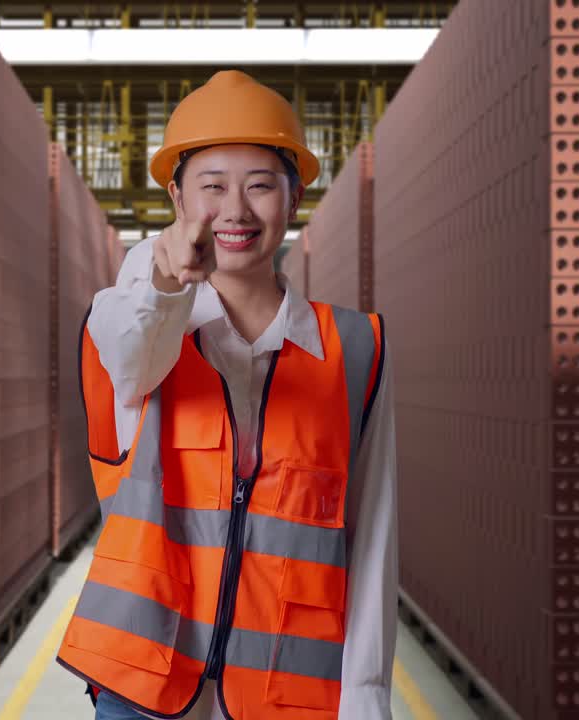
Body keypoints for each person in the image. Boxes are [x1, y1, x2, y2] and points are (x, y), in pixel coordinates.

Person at [56, 69, 397, 720]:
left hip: (286, 697)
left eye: (260, 185)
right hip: (143, 691)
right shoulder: (132, 316)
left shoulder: (356, 349)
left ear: (294, 198)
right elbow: (134, 357)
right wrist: (165, 274)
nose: (235, 210)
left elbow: (374, 539)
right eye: (212, 187)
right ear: (177, 198)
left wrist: (367, 704)